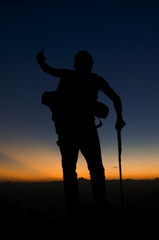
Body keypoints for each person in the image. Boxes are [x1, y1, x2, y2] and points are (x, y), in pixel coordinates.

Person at [37, 49, 125, 211]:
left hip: (68, 130)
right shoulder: (95, 80)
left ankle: (75, 206)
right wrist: (119, 118)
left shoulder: (69, 75)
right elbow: (116, 98)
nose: (87, 66)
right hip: (84, 130)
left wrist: (41, 61)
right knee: (94, 168)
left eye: (88, 63)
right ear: (81, 64)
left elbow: (49, 70)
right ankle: (97, 203)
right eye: (86, 63)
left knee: (72, 170)